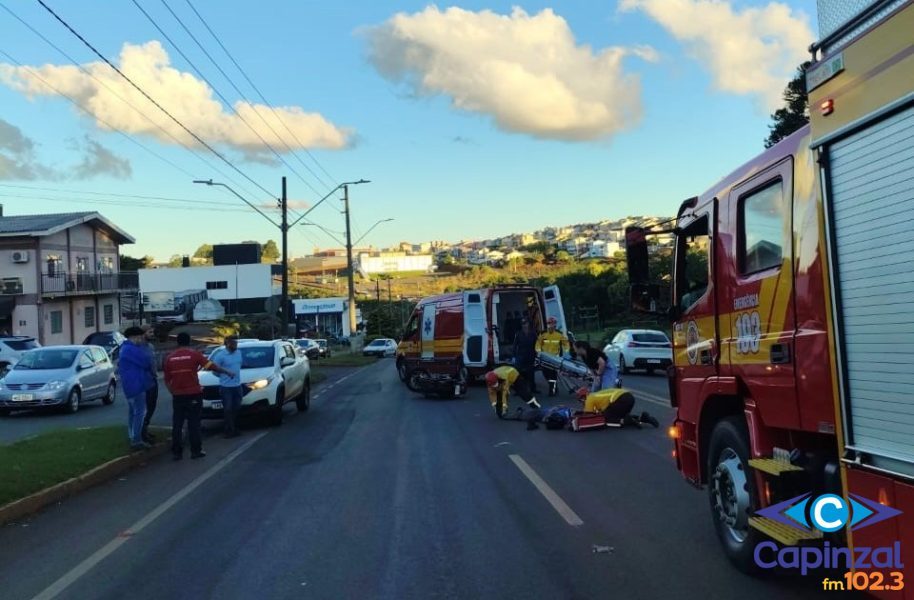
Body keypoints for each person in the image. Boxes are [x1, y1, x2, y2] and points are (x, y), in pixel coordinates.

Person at [163, 333, 234, 460]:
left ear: (177, 343)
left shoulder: (170, 358)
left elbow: (167, 379)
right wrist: (227, 372)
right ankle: (196, 451)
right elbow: (211, 366)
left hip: (178, 395)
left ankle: (177, 453)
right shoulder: (194, 354)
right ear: (189, 341)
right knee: (194, 423)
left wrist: (172, 392)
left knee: (177, 424)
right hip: (193, 394)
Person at [119, 326, 155, 450]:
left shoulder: (125, 348)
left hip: (130, 385)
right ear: (134, 337)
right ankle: (136, 440)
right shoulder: (131, 349)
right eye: (140, 337)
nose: (141, 339)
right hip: (137, 385)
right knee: (140, 412)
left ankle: (132, 435)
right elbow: (146, 361)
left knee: (132, 412)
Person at [576, 387, 659, 428]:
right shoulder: (595, 395)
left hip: (620, 399)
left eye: (581, 400)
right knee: (618, 415)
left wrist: (576, 416)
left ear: (583, 397)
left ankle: (625, 421)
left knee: (605, 419)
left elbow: (588, 416)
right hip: (629, 397)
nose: (582, 402)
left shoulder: (589, 399)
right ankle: (643, 418)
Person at [211, 335, 244, 437]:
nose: (235, 344)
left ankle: (233, 426)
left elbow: (239, 365)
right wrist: (223, 376)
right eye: (233, 342)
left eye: (236, 342)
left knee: (237, 407)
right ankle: (229, 430)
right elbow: (215, 370)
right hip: (226, 387)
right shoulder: (220, 355)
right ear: (227, 343)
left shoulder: (238, 353)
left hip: (237, 385)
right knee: (228, 408)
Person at [536, 316, 568, 396]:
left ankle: (552, 390)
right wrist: (539, 352)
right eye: (550, 323)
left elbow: (565, 344)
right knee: (546, 373)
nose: (552, 325)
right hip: (545, 358)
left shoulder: (559, 334)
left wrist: (566, 352)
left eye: (553, 324)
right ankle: (553, 386)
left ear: (555, 325)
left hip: (555, 358)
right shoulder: (543, 334)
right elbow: (538, 344)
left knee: (553, 374)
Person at [140, 326, 158, 444]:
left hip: (153, 379)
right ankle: (141, 432)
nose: (152, 334)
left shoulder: (151, 347)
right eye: (150, 332)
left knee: (152, 406)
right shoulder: (138, 348)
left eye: (153, 332)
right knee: (143, 408)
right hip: (144, 381)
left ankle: (145, 428)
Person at [512, 318, 538, 392]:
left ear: (528, 324)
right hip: (521, 355)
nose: (524, 325)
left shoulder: (533, 333)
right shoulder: (518, 333)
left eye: (525, 323)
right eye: (523, 324)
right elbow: (515, 345)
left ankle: (533, 388)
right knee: (518, 373)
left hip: (530, 355)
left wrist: (537, 354)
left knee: (531, 373)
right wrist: (513, 356)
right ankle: (519, 390)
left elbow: (537, 345)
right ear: (521, 325)